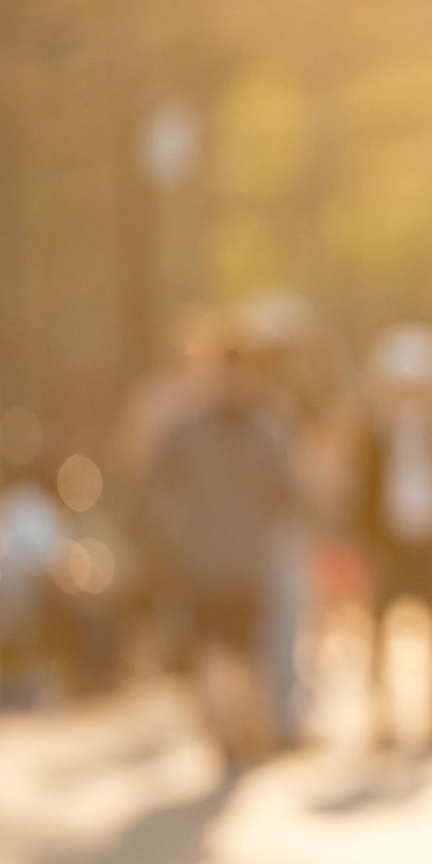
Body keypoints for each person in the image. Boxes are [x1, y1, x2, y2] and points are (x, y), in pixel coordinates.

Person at [139, 332, 298, 774]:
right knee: (221, 648)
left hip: (236, 558)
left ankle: (233, 730)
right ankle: (232, 732)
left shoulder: (252, 426)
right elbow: (289, 490)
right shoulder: (230, 426)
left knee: (231, 649)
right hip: (211, 557)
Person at [355, 324, 432, 753]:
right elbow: (361, 492)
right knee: (380, 631)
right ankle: (384, 713)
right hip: (390, 544)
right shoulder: (374, 434)